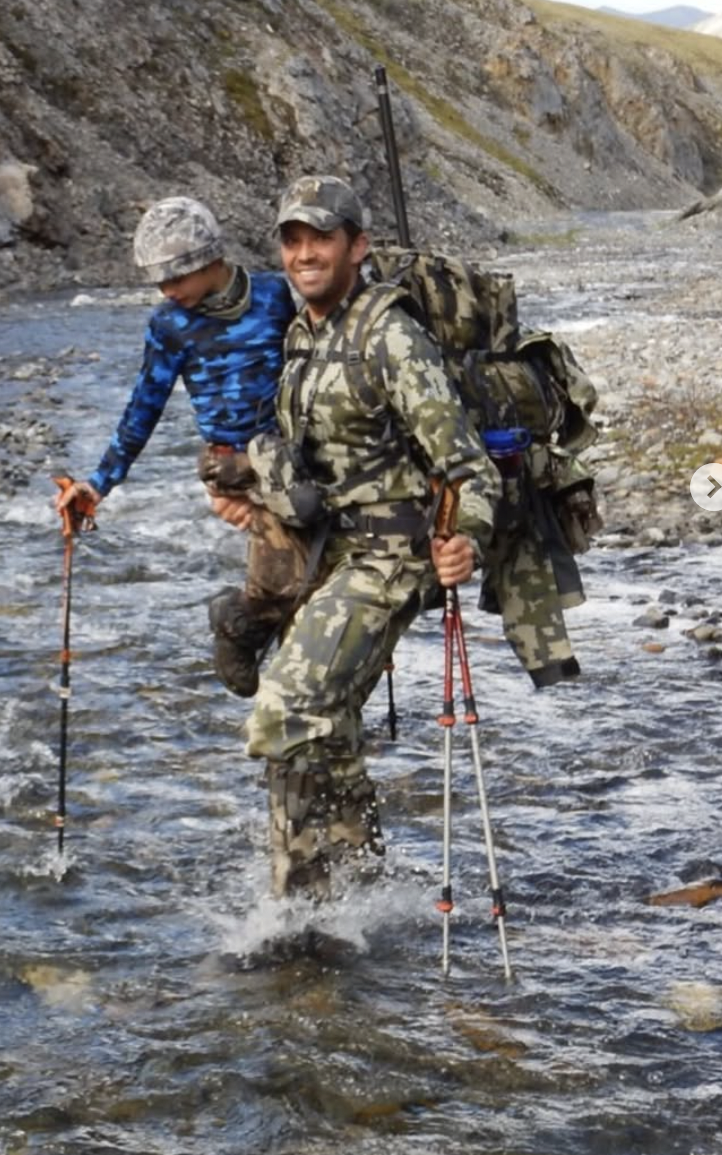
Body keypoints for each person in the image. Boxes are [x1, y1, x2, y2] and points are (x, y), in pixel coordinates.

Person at [211, 174, 501, 899]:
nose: (305, 252)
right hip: (325, 554)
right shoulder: (304, 332)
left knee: (285, 706)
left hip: (390, 560)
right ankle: (346, 890)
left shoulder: (388, 333)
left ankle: (302, 915)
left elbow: (467, 465)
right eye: (293, 239)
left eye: (321, 238)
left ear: (356, 245)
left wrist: (466, 537)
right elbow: (315, 457)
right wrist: (252, 496)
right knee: (320, 730)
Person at [54, 196, 305, 695]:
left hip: (286, 453)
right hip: (228, 461)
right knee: (296, 515)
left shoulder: (275, 296)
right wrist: (101, 482)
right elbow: (145, 403)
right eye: (159, 282)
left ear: (211, 259)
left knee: (308, 537)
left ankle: (283, 645)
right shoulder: (170, 325)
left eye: (176, 277)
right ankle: (243, 622)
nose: (169, 290)